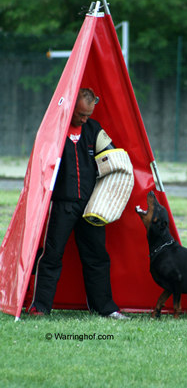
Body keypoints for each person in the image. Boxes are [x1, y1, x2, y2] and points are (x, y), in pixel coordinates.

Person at [27, 88, 128, 319]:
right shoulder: (56, 131)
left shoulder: (94, 130)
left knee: (98, 257)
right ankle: (40, 307)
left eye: (88, 115)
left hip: (92, 206)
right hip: (62, 205)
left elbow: (114, 158)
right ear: (71, 107)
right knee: (52, 256)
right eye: (81, 115)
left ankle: (105, 308)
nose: (84, 120)